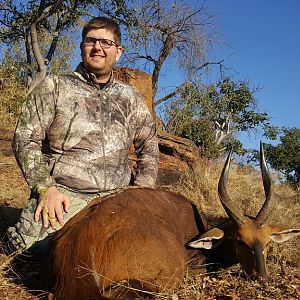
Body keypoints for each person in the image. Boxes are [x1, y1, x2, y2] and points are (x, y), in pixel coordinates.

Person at [7, 17, 159, 254]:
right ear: (82, 47)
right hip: (65, 193)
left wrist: (142, 191)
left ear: (118, 52)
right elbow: (25, 138)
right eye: (91, 41)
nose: (98, 47)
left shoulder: (130, 98)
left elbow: (148, 144)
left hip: (117, 196)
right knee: (30, 252)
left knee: (139, 251)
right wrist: (46, 189)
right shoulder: (55, 86)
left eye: (106, 43)